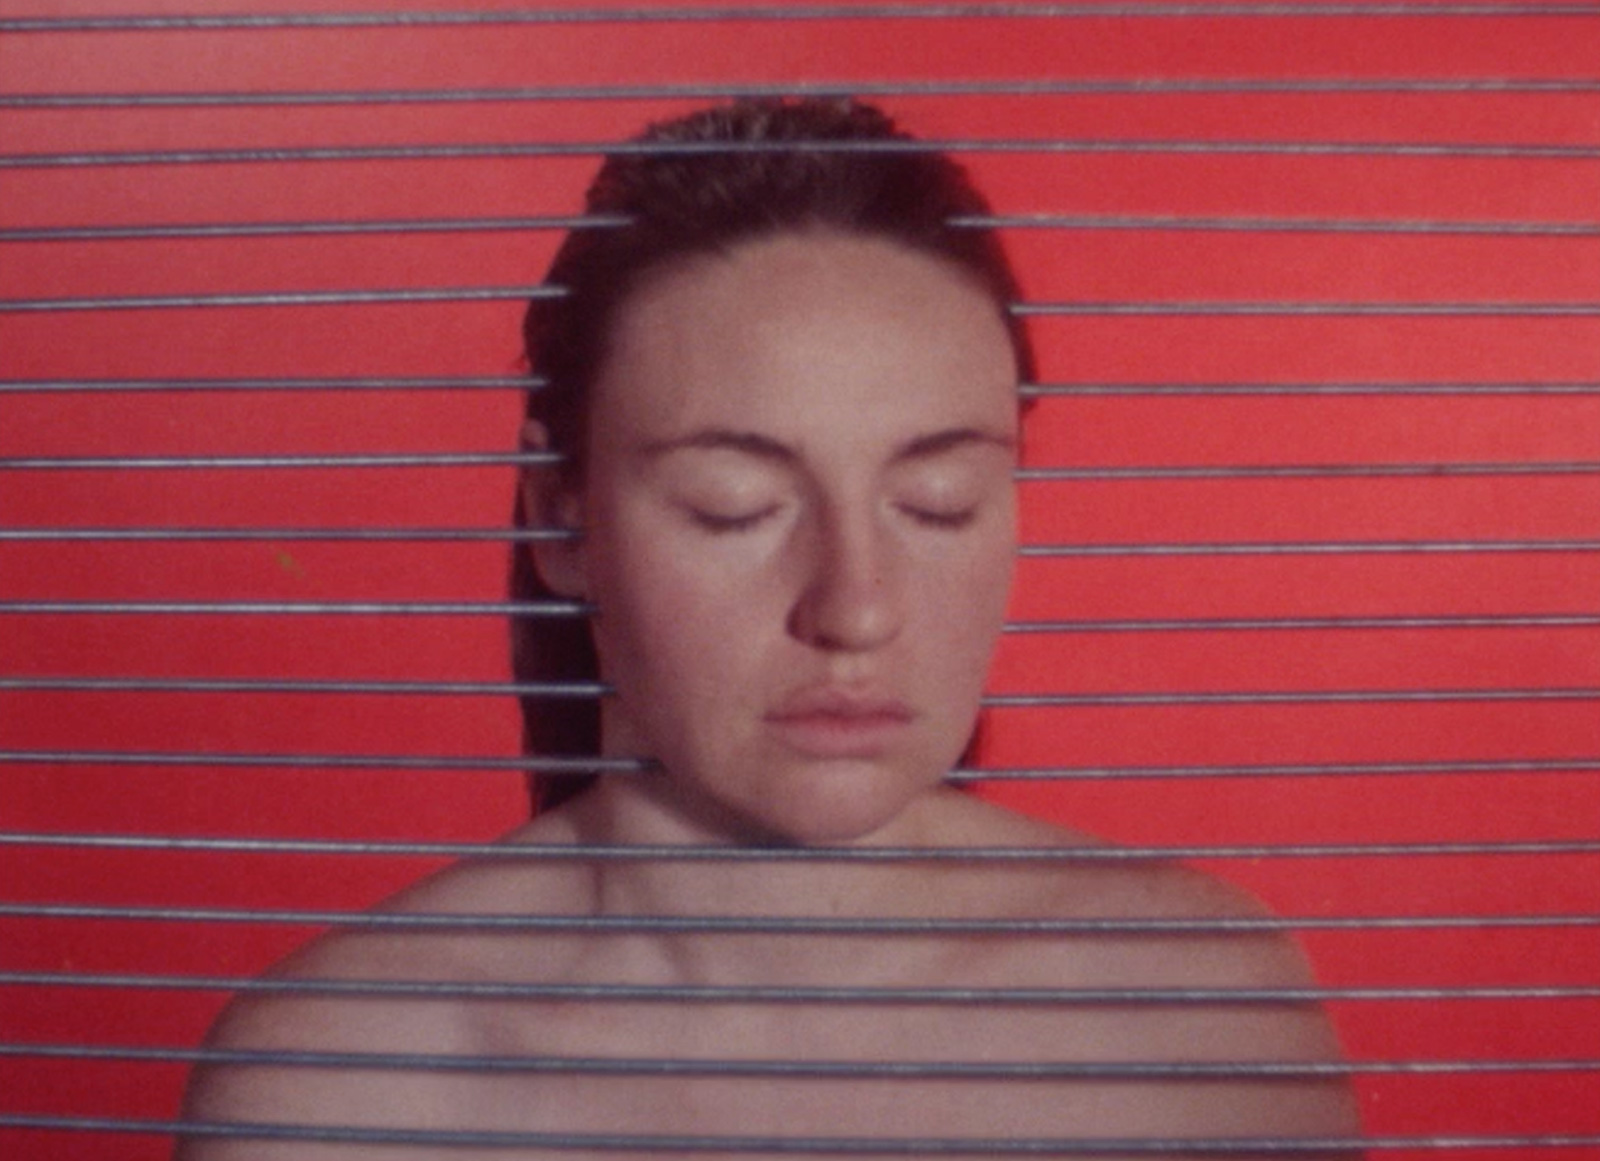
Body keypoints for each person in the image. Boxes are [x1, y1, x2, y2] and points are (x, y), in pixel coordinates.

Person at [176, 98, 1362, 1160]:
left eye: (936, 502)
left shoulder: (1199, 1014)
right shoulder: (343, 1085)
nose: (855, 606)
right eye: (732, 506)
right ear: (563, 520)